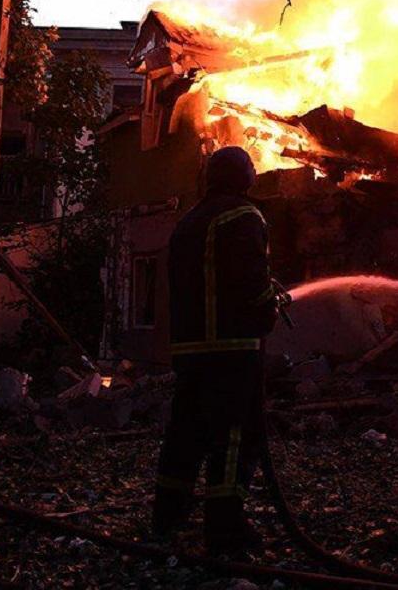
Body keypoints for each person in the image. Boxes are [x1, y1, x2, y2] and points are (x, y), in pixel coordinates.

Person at [154, 146, 277, 553]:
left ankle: (167, 517)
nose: (256, 172)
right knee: (235, 436)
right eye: (251, 167)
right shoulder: (244, 216)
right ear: (240, 176)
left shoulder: (188, 221)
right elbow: (252, 280)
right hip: (232, 348)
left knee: (186, 433)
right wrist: (268, 310)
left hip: (190, 350)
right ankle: (225, 528)